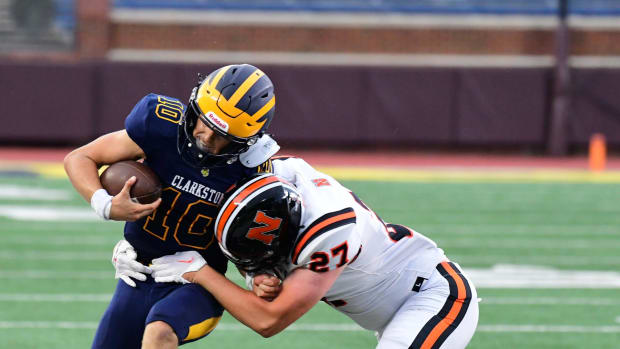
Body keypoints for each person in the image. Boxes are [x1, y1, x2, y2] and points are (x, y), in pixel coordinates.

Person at [147, 157, 480, 348]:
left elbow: (267, 321)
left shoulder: (329, 236)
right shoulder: (273, 179)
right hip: (390, 308)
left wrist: (197, 271)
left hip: (432, 296)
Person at [63, 63, 281, 349]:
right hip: (138, 273)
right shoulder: (161, 125)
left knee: (160, 332)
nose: (206, 138)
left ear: (248, 142)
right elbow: (80, 158)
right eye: (205, 122)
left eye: (223, 136)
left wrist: (257, 275)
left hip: (198, 284)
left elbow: (245, 241)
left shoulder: (252, 169)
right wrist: (105, 205)